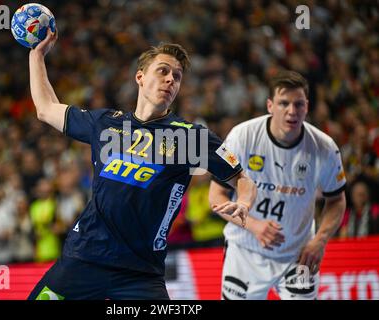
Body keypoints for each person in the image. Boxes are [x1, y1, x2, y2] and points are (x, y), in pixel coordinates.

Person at [27, 29, 257, 300]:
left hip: (140, 275)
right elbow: (45, 108)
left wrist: (243, 203)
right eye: (163, 71)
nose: (171, 79)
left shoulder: (190, 137)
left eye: (177, 77)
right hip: (84, 259)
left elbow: (241, 177)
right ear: (140, 77)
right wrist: (37, 54)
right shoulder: (105, 124)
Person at [209, 70, 347, 300]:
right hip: (245, 251)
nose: (292, 111)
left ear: (307, 106)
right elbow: (216, 197)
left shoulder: (325, 147)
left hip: (299, 253)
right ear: (270, 105)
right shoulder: (241, 136)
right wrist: (254, 225)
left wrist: (320, 241)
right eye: (284, 103)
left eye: (298, 104)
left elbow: (337, 200)